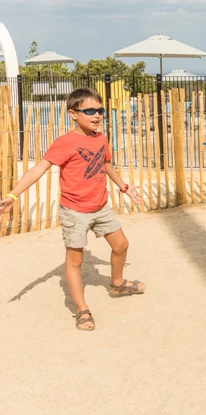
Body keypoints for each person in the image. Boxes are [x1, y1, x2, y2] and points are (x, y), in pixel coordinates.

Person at [0, 88, 145, 331]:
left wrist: (125, 188)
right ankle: (81, 309)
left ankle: (117, 283)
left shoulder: (101, 138)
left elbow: (107, 165)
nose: (97, 115)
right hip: (75, 211)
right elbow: (39, 169)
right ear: (73, 114)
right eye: (90, 111)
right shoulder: (64, 143)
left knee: (121, 245)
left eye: (100, 110)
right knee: (75, 260)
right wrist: (13, 195)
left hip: (101, 206)